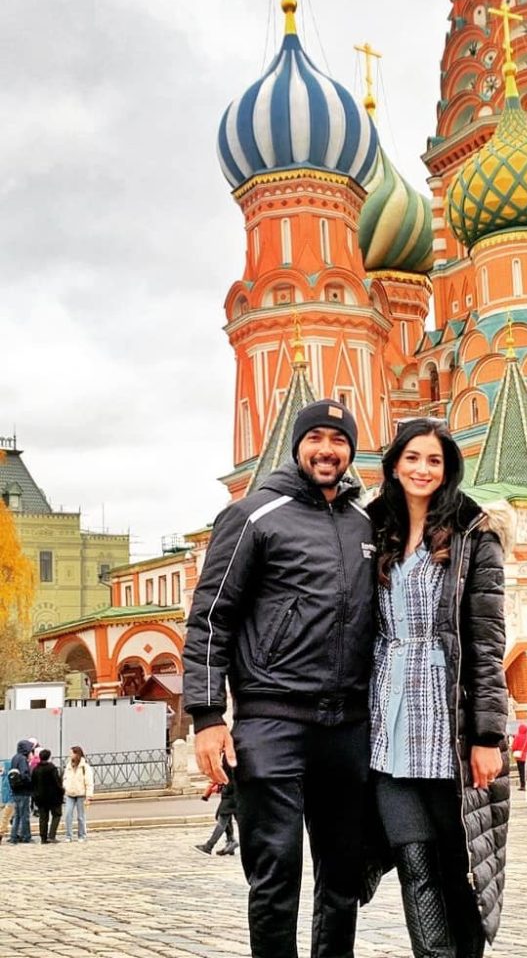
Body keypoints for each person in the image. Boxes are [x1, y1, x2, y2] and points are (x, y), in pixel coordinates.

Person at [182, 399, 377, 958]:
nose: (327, 450)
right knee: (275, 875)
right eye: (316, 438)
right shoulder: (254, 515)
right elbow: (211, 618)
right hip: (273, 723)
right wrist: (207, 717)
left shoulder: (364, 523)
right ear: (298, 445)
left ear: (350, 451)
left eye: (338, 440)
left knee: (342, 878)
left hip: (346, 727)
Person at [367, 417, 509, 958]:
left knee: (456, 869)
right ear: (394, 465)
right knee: (413, 863)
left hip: (449, 727)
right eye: (412, 458)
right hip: (388, 727)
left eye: (434, 461)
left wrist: (488, 735)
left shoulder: (475, 535)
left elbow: (487, 640)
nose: (422, 469)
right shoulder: (373, 531)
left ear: (447, 470)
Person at [196, 762, 238, 856]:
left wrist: (223, 786)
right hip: (231, 794)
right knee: (223, 818)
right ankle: (231, 842)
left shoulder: (230, 755)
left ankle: (209, 846)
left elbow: (226, 775)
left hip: (231, 794)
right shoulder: (227, 754)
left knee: (222, 819)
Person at [31, 748, 64, 843]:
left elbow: (33, 784)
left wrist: (35, 796)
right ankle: (52, 835)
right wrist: (61, 791)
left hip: (40, 798)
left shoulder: (36, 769)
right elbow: (57, 782)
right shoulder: (52, 768)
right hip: (53, 798)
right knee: (57, 815)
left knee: (43, 818)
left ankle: (43, 838)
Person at [62, 745, 94, 840]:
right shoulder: (68, 766)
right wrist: (65, 786)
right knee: (68, 814)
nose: (70, 755)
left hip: (81, 793)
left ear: (76, 754)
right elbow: (65, 778)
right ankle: (68, 836)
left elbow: (89, 782)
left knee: (81, 816)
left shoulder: (85, 767)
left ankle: (82, 835)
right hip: (70, 793)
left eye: (71, 753)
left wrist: (89, 796)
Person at [7, 739, 34, 844]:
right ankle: (26, 836)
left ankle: (14, 836)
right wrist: (30, 781)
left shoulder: (15, 758)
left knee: (17, 814)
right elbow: (24, 774)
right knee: (25, 815)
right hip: (23, 790)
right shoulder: (23, 759)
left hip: (15, 790)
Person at [510, 722, 527, 792]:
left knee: (521, 771)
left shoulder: (517, 736)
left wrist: (513, 751)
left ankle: (523, 785)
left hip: (520, 757)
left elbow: (514, 747)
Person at [0, 757, 14, 844]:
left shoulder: (4, 777)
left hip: (4, 799)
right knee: (6, 817)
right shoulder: (9, 777)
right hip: (10, 800)